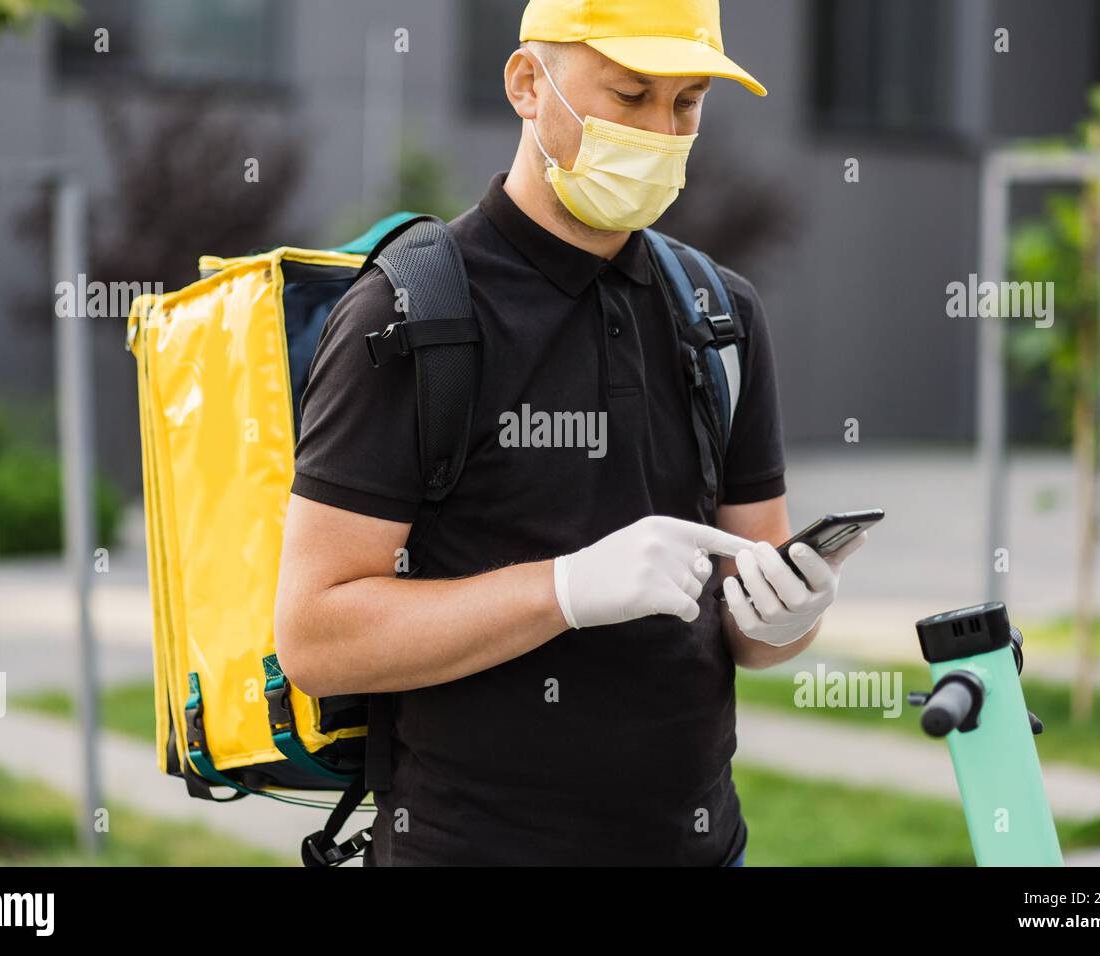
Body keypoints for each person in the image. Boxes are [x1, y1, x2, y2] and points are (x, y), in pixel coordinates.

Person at [274, 0, 866, 866]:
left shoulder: (719, 315)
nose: (661, 132)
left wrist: (791, 617)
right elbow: (316, 639)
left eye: (687, 103)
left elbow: (751, 620)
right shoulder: (412, 313)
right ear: (527, 84)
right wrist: (567, 590)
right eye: (630, 95)